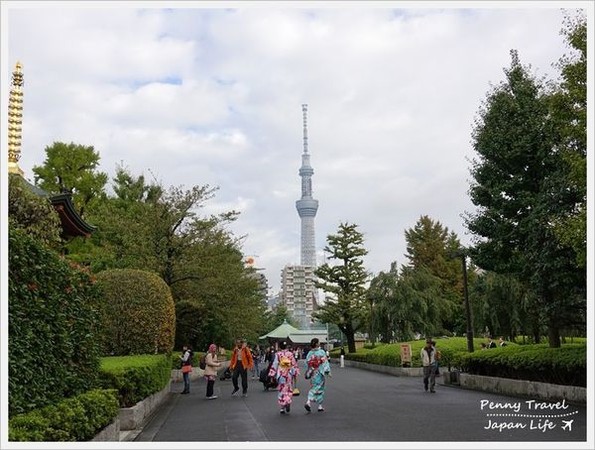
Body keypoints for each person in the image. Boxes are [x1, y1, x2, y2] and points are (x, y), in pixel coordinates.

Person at [268, 341, 300, 414]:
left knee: (282, 389)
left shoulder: (278, 354)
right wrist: (295, 372)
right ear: (286, 347)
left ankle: (282, 407)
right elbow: (294, 364)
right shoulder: (290, 354)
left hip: (281, 373)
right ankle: (288, 401)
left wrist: (272, 374)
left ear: (279, 347)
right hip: (289, 373)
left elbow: (275, 364)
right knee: (289, 388)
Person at [304, 337, 331, 413]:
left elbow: (307, 363)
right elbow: (325, 362)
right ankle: (313, 403)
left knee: (314, 386)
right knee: (320, 388)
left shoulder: (309, 353)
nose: (320, 343)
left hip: (313, 373)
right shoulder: (321, 352)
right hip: (320, 372)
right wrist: (327, 371)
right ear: (316, 344)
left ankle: (314, 403)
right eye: (318, 342)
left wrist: (310, 369)